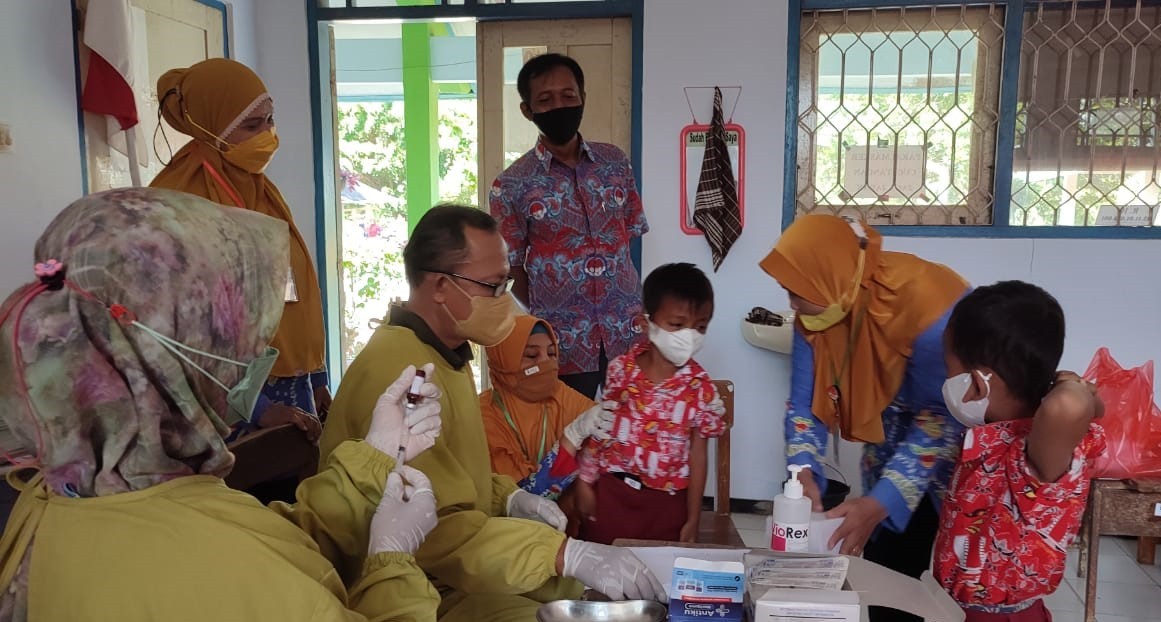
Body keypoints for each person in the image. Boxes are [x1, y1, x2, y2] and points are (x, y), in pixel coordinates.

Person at [0, 188, 444, 621]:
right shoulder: (218, 567)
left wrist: (373, 460)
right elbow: (250, 573)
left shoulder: (60, 491)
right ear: (175, 352)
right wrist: (392, 565)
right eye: (235, 337)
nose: (252, 359)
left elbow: (267, 551)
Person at [317, 205, 665, 621]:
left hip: (448, 573)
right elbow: (433, 530)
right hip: (408, 590)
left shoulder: (446, 356)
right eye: (493, 286)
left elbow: (455, 477)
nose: (505, 302)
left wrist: (507, 496)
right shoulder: (404, 372)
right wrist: (560, 555)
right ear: (442, 286)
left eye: (507, 284)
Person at [759, 214, 969, 622]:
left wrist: (881, 501)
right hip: (888, 441)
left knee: (942, 579)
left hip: (949, 452)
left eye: (796, 293)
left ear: (831, 277)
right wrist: (802, 471)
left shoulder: (928, 307)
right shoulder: (817, 316)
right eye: (787, 291)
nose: (791, 304)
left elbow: (943, 417)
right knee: (884, 572)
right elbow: (804, 405)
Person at [150, 58, 327, 441]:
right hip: (224, 401)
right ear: (209, 125)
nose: (268, 134)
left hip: (287, 385)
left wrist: (314, 379)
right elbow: (178, 328)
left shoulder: (260, 189)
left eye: (270, 120)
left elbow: (295, 292)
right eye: (251, 125)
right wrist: (257, 407)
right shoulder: (178, 202)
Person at [933, 281, 1105, 622]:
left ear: (978, 383)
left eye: (948, 368)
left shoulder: (1036, 451)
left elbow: (1069, 406)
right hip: (958, 608)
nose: (944, 377)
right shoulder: (987, 437)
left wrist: (1070, 383)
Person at [489, 53, 649, 399]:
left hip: (627, 332)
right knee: (569, 441)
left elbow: (629, 235)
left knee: (635, 433)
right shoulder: (512, 184)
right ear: (527, 110)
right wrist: (554, 310)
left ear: (582, 99)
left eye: (568, 95)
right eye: (545, 100)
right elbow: (512, 267)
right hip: (563, 343)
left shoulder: (615, 163)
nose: (559, 105)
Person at [575, 263, 726, 545]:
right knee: (604, 575)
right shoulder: (620, 370)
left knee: (658, 580)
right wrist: (585, 482)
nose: (689, 336)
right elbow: (601, 429)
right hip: (613, 495)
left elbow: (698, 456)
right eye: (677, 325)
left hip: (667, 506)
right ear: (647, 323)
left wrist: (693, 517)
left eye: (700, 327)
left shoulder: (700, 387)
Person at [480, 315, 613, 499]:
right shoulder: (482, 417)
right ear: (503, 361)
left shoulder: (562, 395)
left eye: (552, 354)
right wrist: (571, 438)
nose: (545, 363)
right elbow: (516, 501)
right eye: (532, 355)